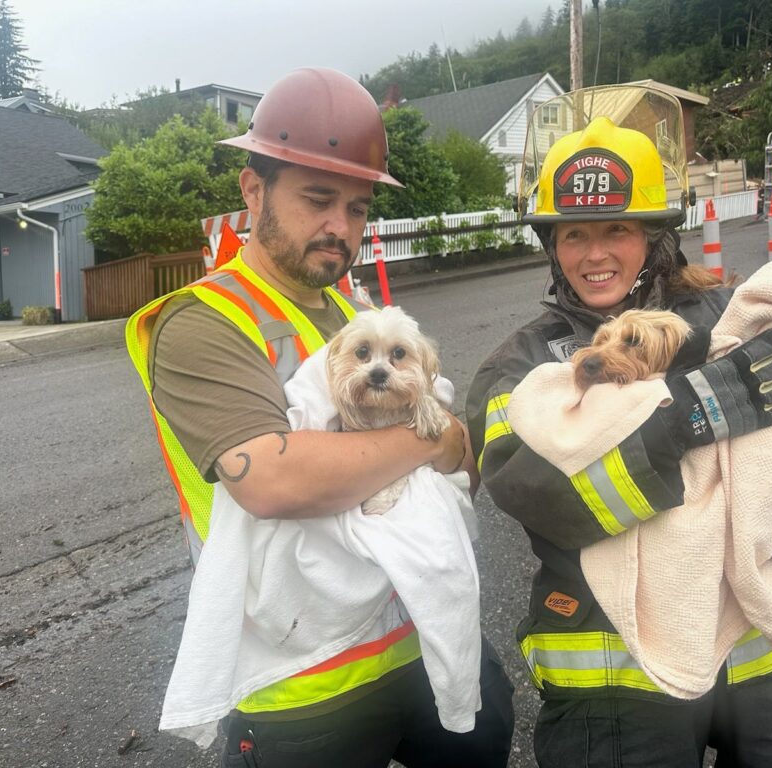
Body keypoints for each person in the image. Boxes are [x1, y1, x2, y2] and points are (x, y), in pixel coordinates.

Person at [466, 84, 772, 767]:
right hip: (616, 667)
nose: (595, 254)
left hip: (762, 645)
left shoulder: (732, 313)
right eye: (574, 235)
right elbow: (527, 492)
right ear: (551, 246)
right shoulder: (521, 365)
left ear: (656, 235)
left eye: (617, 228)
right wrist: (676, 426)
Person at [125, 67, 513, 768]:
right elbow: (276, 482)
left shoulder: (352, 318)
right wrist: (430, 440)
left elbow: (465, 461)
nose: (340, 226)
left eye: (358, 208)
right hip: (302, 680)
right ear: (253, 189)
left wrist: (449, 446)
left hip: (419, 632)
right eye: (318, 198)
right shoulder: (200, 324)